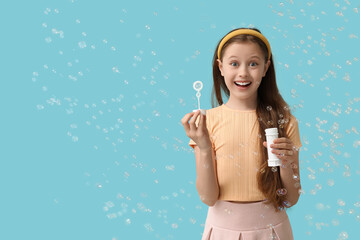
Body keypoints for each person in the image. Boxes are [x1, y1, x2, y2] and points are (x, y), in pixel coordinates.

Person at [181, 28, 302, 239]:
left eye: (253, 63)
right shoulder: (206, 123)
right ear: (220, 67)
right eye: (234, 63)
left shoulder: (283, 122)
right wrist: (204, 147)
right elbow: (208, 197)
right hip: (221, 231)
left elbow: (290, 199)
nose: (243, 73)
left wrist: (286, 162)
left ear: (266, 68)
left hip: (273, 231)